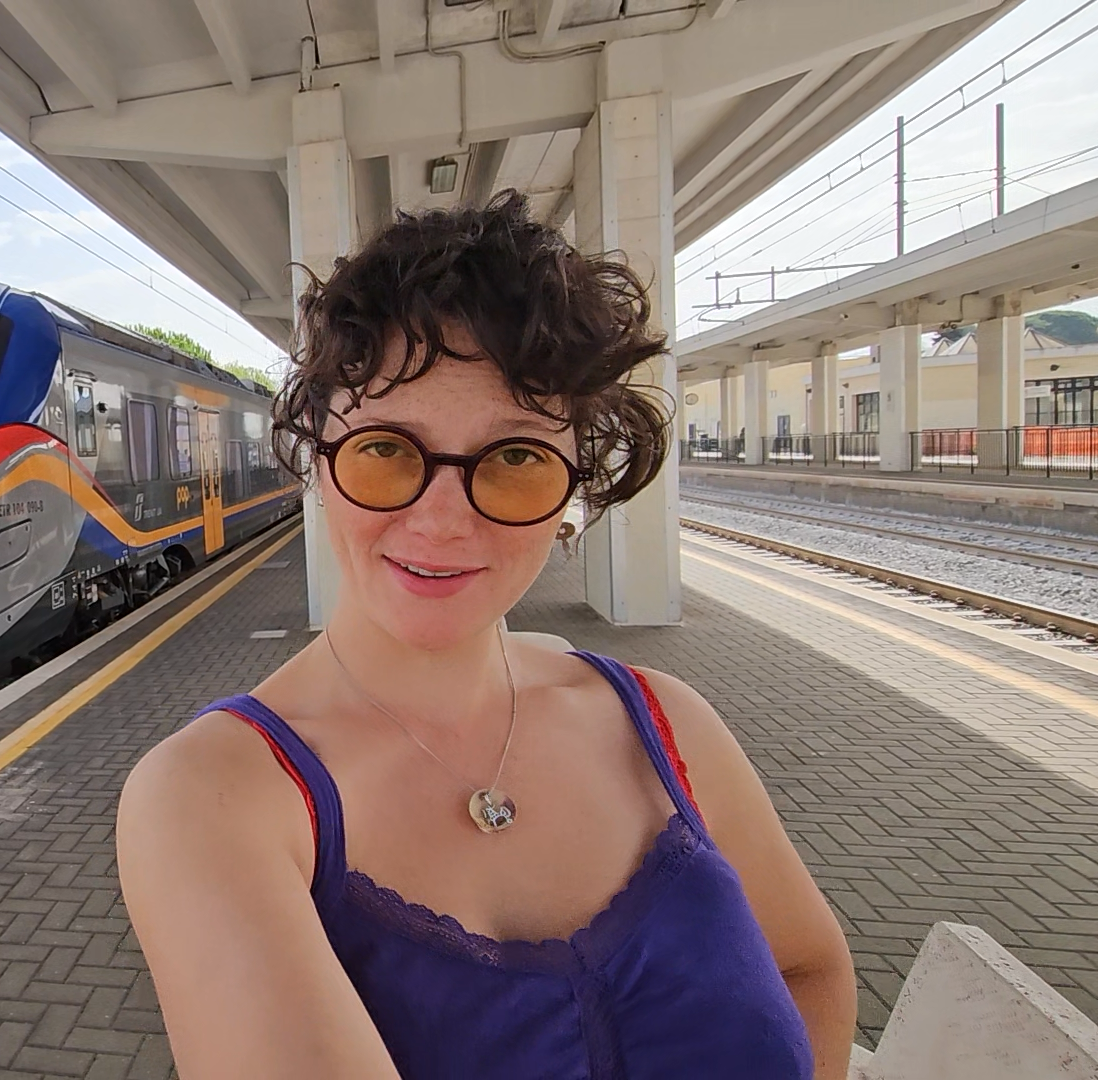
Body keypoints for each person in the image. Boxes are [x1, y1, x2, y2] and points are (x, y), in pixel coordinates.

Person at [116, 193, 856, 1079]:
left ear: (573, 482)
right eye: (388, 450)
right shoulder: (210, 797)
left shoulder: (669, 722)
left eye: (513, 460)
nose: (441, 522)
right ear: (319, 461)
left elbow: (810, 969)